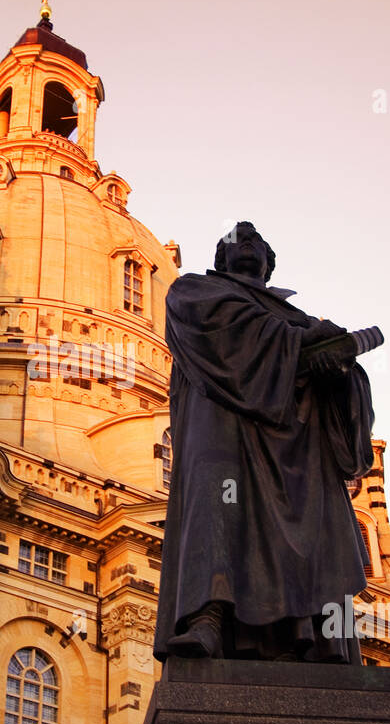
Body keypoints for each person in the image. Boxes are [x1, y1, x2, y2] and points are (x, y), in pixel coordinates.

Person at [153, 221, 375, 664]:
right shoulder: (194, 291)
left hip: (296, 437)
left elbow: (343, 395)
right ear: (223, 259)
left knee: (315, 523)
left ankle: (324, 636)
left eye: (256, 241)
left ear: (269, 264)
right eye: (238, 241)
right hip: (223, 424)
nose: (247, 242)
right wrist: (301, 343)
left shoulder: (298, 319)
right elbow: (221, 335)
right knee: (217, 508)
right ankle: (207, 619)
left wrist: (338, 370)